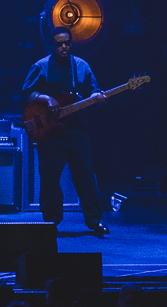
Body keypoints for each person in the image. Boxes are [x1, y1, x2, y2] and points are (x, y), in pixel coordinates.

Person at [21, 27, 108, 235]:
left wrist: (98, 97)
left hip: (78, 131)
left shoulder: (81, 66)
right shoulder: (41, 66)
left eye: (67, 43)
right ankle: (51, 221)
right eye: (59, 43)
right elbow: (27, 93)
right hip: (51, 133)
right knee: (50, 178)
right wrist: (46, 98)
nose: (63, 47)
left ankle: (94, 221)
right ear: (52, 45)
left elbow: (93, 90)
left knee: (86, 177)